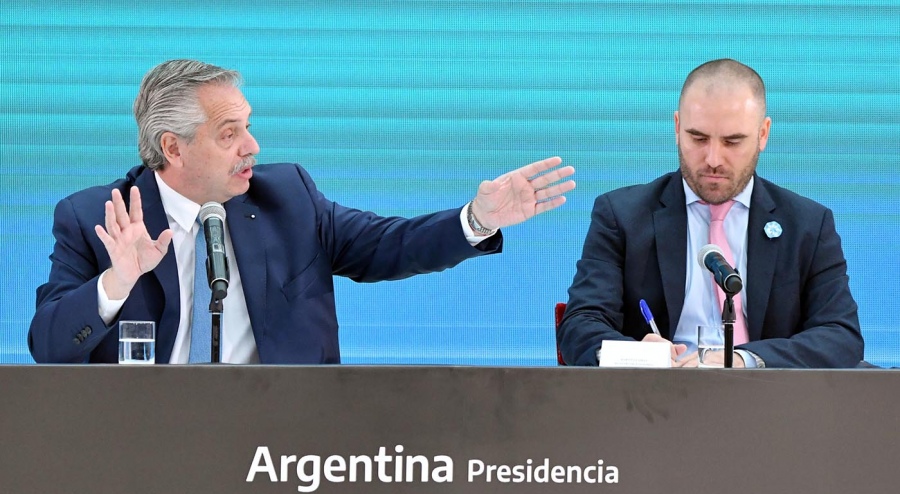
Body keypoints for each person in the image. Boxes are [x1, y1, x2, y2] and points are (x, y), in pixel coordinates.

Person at [29, 59, 575, 364]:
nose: (253, 146)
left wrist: (476, 219)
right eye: (229, 134)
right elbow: (49, 347)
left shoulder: (286, 197)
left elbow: (389, 245)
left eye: (247, 125)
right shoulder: (97, 218)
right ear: (173, 148)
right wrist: (116, 282)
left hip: (286, 445)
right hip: (146, 445)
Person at [558, 58, 863, 368]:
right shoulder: (622, 216)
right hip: (657, 403)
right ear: (677, 127)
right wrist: (640, 357)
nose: (713, 159)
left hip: (771, 400)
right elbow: (581, 325)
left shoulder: (807, 224)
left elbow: (840, 335)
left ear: (763, 133)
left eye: (732, 141)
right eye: (698, 138)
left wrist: (744, 360)